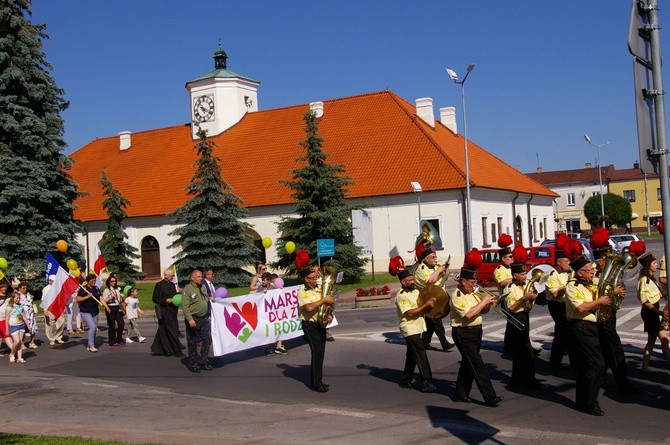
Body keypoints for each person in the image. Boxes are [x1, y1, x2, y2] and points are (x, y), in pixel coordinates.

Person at [450, 255, 503, 407]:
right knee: (477, 364)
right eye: (472, 282)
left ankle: (460, 394)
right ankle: (490, 396)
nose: (474, 285)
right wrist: (484, 301)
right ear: (463, 281)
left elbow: (482, 311)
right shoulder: (456, 295)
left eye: (475, 282)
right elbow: (468, 314)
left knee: (468, 364)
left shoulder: (474, 292)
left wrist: (488, 304)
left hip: (476, 330)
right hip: (463, 332)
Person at [565, 253, 611, 416]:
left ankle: (582, 401)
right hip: (581, 327)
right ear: (579, 272)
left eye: (592, 269)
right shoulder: (573, 286)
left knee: (588, 367)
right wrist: (600, 302)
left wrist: (615, 292)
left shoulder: (592, 283)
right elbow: (581, 308)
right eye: (588, 270)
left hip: (592, 327)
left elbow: (606, 290)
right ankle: (590, 403)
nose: (592, 272)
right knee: (597, 365)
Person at [590, 228, 636, 392]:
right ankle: (622, 383)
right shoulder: (593, 273)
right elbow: (592, 294)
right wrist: (613, 291)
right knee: (615, 349)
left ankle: (601, 379)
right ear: (601, 259)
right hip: (601, 316)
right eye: (606, 257)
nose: (609, 260)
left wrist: (618, 290)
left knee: (605, 350)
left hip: (609, 313)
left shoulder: (606, 273)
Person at [390, 257, 437, 393]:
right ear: (403, 282)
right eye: (410, 280)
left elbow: (423, 304)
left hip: (419, 326)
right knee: (421, 355)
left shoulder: (416, 291)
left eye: (412, 279)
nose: (412, 281)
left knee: (412, 355)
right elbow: (410, 312)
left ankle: (406, 380)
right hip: (410, 328)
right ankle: (427, 382)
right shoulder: (401, 295)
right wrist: (425, 306)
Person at [297, 258, 334, 392]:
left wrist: (329, 314)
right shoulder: (302, 291)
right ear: (306, 279)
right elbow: (308, 307)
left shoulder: (319, 289)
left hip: (320, 324)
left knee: (321, 353)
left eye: (315, 277)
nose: (315, 279)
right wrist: (324, 299)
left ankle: (319, 381)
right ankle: (315, 383)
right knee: (316, 352)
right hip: (309, 325)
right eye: (312, 278)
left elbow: (327, 305)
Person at [502, 255, 539, 388]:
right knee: (525, 351)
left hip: (524, 316)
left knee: (521, 352)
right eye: (522, 274)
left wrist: (532, 298)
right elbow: (511, 308)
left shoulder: (524, 286)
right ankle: (528, 379)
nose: (525, 276)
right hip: (516, 319)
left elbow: (528, 305)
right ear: (515, 275)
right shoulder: (510, 288)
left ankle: (518, 379)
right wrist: (525, 298)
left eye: (525, 274)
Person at [412, 244, 454, 352]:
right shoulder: (422, 268)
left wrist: (445, 270)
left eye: (435, 256)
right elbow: (430, 281)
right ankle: (444, 343)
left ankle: (424, 343)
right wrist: (440, 269)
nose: (435, 258)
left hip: (438, 297)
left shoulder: (435, 266)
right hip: (428, 298)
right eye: (432, 257)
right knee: (436, 320)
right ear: (426, 259)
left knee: (430, 324)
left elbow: (444, 277)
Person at [636, 252, 670, 372]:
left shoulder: (651, 278)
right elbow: (646, 301)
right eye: (654, 263)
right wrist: (659, 312)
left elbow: (656, 297)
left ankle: (645, 366)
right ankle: (645, 366)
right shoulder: (645, 280)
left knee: (658, 339)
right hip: (650, 313)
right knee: (658, 339)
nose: (657, 265)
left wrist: (666, 293)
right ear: (647, 266)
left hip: (653, 313)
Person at [544, 240, 572, 371]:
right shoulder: (552, 274)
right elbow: (555, 294)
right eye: (566, 261)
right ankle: (555, 362)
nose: (569, 264)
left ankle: (558, 361)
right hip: (557, 306)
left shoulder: (569, 273)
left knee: (566, 334)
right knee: (562, 333)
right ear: (559, 262)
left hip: (567, 304)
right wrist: (569, 286)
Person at [182, 269, 213, 373]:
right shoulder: (188, 289)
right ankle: (193, 363)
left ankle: (203, 360)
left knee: (208, 339)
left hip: (204, 318)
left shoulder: (202, 287)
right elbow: (185, 306)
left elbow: (204, 298)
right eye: (199, 277)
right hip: (194, 319)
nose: (201, 278)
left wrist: (209, 298)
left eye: (201, 277)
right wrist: (190, 319)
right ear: (192, 278)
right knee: (192, 342)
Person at [150, 268, 183, 357]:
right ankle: (177, 350)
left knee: (163, 330)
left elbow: (175, 297)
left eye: (173, 276)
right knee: (172, 330)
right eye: (171, 276)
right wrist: (165, 300)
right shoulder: (159, 285)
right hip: (164, 311)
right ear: (165, 276)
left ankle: (161, 349)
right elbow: (155, 298)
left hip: (173, 311)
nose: (172, 277)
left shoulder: (172, 285)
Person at [76, 273, 110, 352]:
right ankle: (91, 346)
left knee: (94, 329)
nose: (94, 282)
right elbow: (77, 300)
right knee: (92, 327)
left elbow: (100, 298)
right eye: (92, 280)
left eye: (94, 280)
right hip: (85, 311)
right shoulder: (83, 289)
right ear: (88, 281)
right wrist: (87, 296)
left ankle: (90, 344)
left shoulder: (96, 288)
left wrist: (106, 306)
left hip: (95, 311)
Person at [257, 272, 288, 355]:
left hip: (275, 312)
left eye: (265, 280)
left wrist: (281, 289)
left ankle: (279, 346)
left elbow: (278, 293)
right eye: (262, 280)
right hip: (266, 313)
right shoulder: (260, 288)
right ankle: (268, 347)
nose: (263, 281)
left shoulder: (272, 287)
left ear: (269, 280)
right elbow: (257, 299)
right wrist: (262, 293)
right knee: (269, 330)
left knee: (279, 327)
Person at [494, 234, 514, 354]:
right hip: (506, 300)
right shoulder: (499, 269)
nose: (512, 259)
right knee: (512, 324)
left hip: (516, 298)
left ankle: (510, 346)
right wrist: (515, 278)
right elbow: (502, 283)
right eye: (510, 257)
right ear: (503, 258)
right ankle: (509, 346)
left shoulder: (512, 268)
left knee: (513, 324)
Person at [102, 275, 125, 348]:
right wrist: (110, 297)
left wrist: (121, 296)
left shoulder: (116, 289)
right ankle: (112, 341)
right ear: (109, 282)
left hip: (117, 307)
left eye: (115, 281)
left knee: (121, 323)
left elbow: (118, 298)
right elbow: (103, 301)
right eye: (112, 281)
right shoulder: (106, 290)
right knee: (112, 325)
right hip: (110, 307)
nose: (114, 282)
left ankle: (119, 339)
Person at [43, 275, 66, 346]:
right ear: (50, 281)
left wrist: (63, 307)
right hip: (50, 308)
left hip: (58, 308)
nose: (53, 282)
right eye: (52, 281)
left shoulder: (59, 288)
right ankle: (51, 338)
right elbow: (44, 300)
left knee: (61, 322)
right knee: (50, 324)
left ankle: (58, 337)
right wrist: (45, 310)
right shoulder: (46, 289)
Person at [6, 292, 26, 363]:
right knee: (16, 341)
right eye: (17, 298)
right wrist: (7, 329)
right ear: (13, 298)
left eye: (19, 298)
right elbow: (7, 318)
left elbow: (24, 316)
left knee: (20, 341)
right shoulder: (9, 307)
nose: (18, 299)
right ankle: (12, 354)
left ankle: (20, 357)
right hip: (13, 325)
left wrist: (28, 326)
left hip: (21, 325)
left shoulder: (21, 306)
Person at [17, 282, 38, 349]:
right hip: (22, 314)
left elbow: (31, 303)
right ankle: (22, 344)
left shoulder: (29, 295)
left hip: (31, 314)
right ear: (19, 288)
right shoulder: (17, 295)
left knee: (32, 328)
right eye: (23, 288)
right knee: (23, 329)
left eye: (26, 288)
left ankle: (32, 342)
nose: (25, 290)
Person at [0, 282, 14, 356]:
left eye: (5, 287)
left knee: (4, 335)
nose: (4, 288)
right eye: (2, 287)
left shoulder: (9, 295)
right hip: (0, 318)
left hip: (6, 318)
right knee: (5, 335)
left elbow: (15, 301)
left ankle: (14, 351)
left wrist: (16, 294)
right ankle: (14, 351)